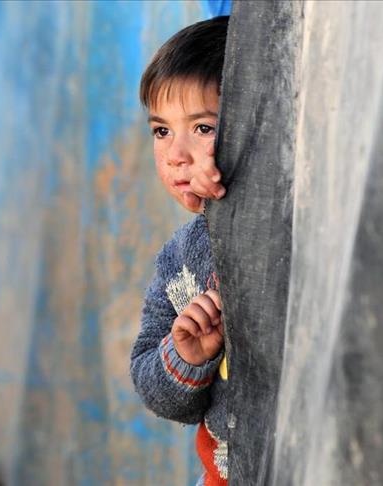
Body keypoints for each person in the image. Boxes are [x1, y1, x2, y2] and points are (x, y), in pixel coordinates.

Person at [129, 16, 231, 486]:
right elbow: (152, 382)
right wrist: (185, 355)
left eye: (203, 127)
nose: (175, 155)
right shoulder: (180, 259)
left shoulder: (299, 224)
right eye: (162, 131)